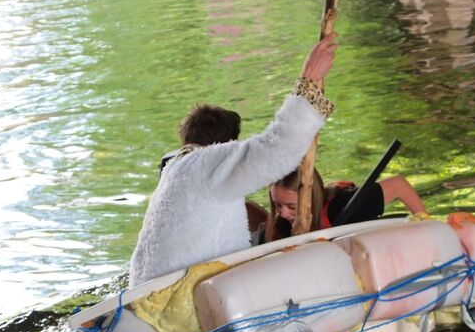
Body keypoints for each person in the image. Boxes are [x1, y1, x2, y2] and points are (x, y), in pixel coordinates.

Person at [129, 33, 339, 287]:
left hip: (147, 291)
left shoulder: (174, 169)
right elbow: (278, 149)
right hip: (181, 300)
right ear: (226, 146)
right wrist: (309, 80)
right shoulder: (208, 165)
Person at [263, 167, 428, 242]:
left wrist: (426, 223)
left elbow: (399, 185)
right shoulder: (280, 225)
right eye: (277, 205)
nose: (283, 213)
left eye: (292, 207)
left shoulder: (344, 206)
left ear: (313, 199)